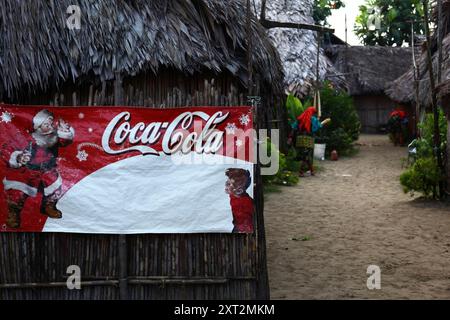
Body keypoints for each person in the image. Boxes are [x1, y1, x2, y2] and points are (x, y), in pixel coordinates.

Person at [2, 109, 75, 228]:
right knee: (17, 192)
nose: (51, 126)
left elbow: (66, 141)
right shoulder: (26, 138)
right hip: (27, 171)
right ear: (39, 126)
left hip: (47, 169)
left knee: (55, 186)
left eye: (51, 123)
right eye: (47, 124)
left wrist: (64, 130)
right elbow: (7, 149)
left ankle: (49, 206)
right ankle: (13, 212)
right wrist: (19, 157)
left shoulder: (55, 137)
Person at [295, 106, 330, 176]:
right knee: (306, 155)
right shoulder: (313, 119)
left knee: (306, 154)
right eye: (314, 113)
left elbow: (294, 127)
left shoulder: (300, 118)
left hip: (300, 138)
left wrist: (290, 137)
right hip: (308, 139)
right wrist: (324, 122)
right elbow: (318, 127)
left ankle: (312, 171)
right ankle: (301, 171)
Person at [225, 168, 254, 233]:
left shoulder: (245, 203)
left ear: (239, 190)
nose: (226, 184)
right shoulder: (233, 196)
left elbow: (246, 224)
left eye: (229, 184)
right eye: (227, 182)